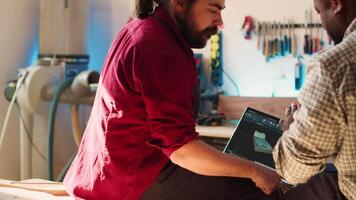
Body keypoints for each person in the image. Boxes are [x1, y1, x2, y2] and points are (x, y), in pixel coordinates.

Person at [64, 0, 281, 199]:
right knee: (260, 190)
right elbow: (182, 151)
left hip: (107, 174)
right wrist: (255, 171)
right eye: (214, 10)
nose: (220, 23)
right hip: (130, 183)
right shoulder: (158, 47)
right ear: (179, 4)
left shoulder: (144, 30)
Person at [273, 0, 356, 199]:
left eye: (319, 12)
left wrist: (290, 130)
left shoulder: (334, 67)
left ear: (336, 4)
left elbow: (293, 170)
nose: (322, 23)